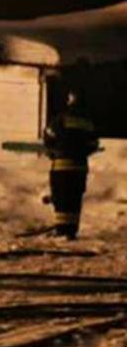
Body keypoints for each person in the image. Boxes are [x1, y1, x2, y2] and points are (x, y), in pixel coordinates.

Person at [43, 89, 99, 239]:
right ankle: (71, 231)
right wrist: (81, 153)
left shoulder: (60, 120)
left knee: (61, 197)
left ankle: (61, 230)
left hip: (61, 166)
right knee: (74, 198)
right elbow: (93, 144)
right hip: (79, 167)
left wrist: (52, 151)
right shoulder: (88, 123)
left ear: (69, 102)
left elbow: (48, 137)